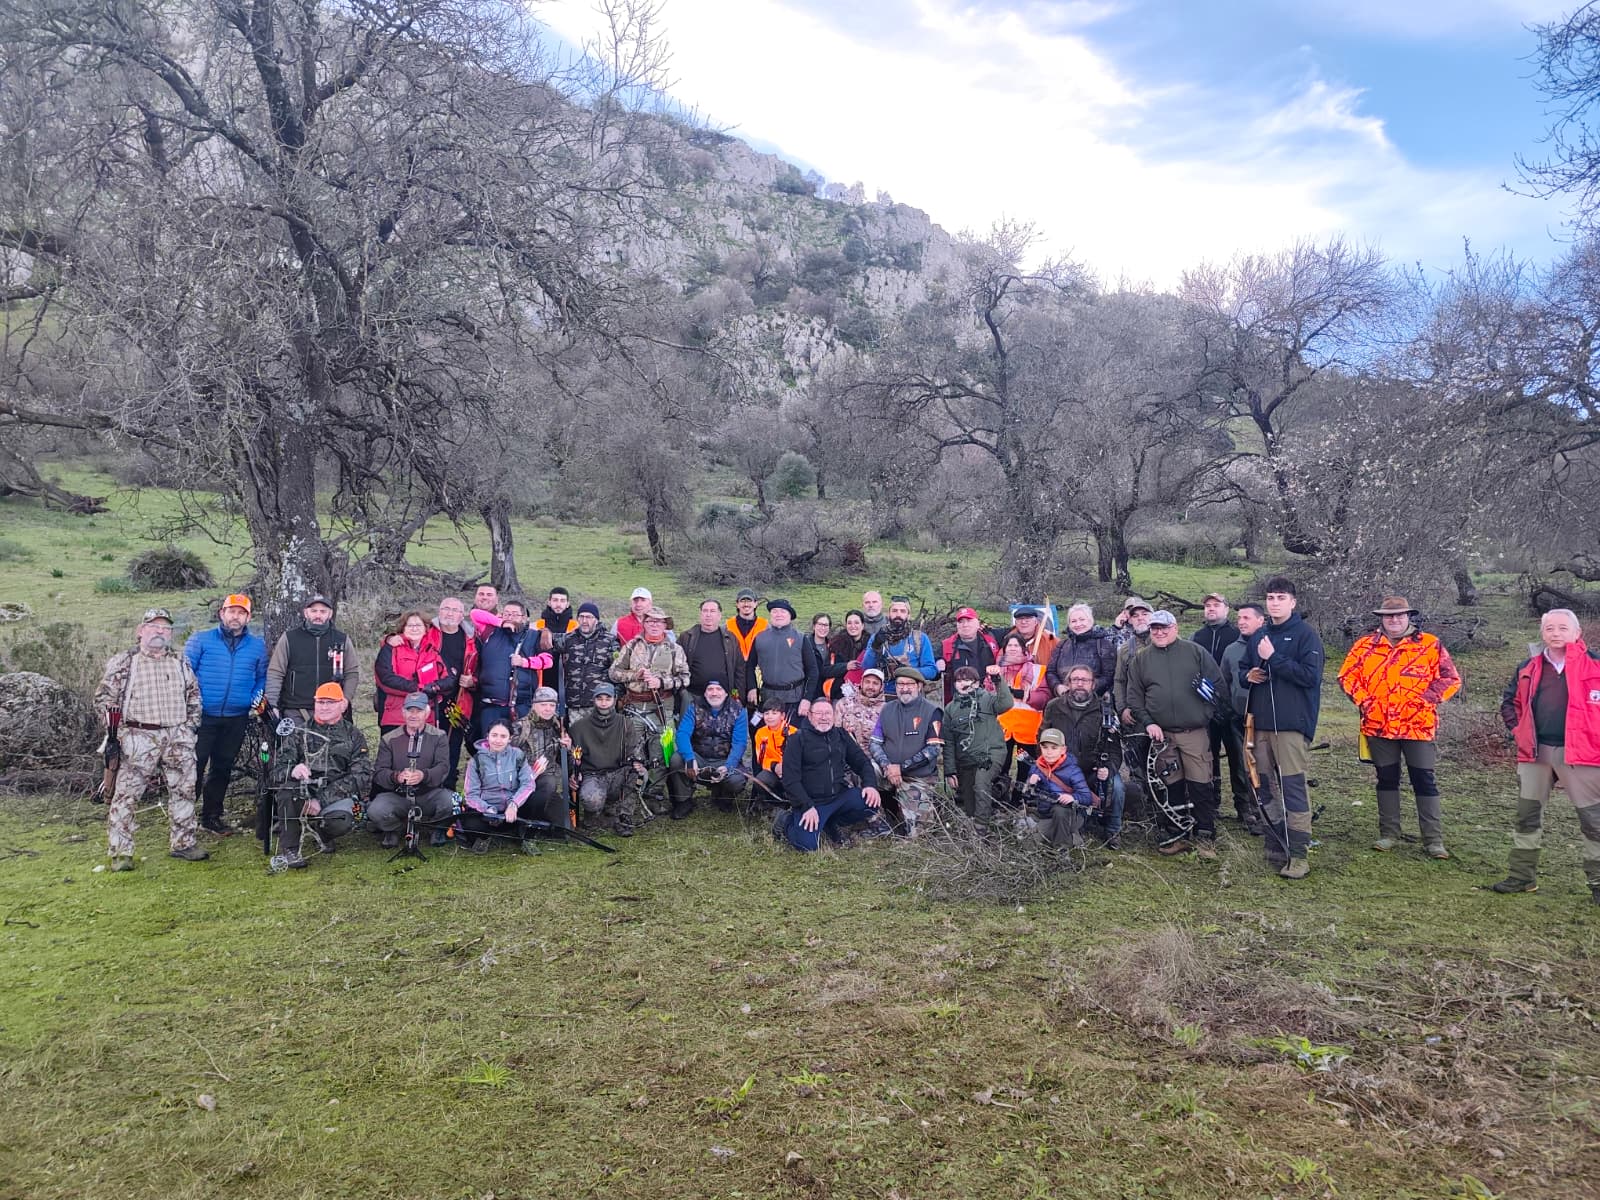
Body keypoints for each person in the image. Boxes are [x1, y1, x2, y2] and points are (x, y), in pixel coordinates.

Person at [1338, 595, 1462, 859]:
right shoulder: (1364, 646)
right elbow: (1346, 676)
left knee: (1424, 780)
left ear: (1409, 617)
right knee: (1386, 779)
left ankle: (1433, 840)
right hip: (1378, 726)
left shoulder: (1429, 645)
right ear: (1381, 618)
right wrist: (1366, 702)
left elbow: (1451, 679)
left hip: (1418, 725)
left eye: (1400, 615)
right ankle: (1388, 834)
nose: (1394, 620)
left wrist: (1425, 700)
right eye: (1389, 616)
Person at [1492, 608, 1600, 903]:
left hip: (1583, 756)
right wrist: (1518, 732)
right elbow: (1509, 702)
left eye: (1563, 628)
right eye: (1550, 628)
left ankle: (1598, 884)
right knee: (1527, 816)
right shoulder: (1529, 666)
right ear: (1542, 633)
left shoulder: (1595, 666)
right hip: (1536, 753)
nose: (1556, 634)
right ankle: (1521, 877)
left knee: (1594, 821)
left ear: (1577, 633)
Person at [93, 608, 207, 870]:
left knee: (185, 791)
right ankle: (121, 852)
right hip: (138, 736)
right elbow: (104, 700)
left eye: (165, 628)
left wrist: (189, 728)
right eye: (153, 626)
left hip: (178, 735)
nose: (159, 631)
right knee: (126, 794)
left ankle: (183, 843)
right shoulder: (125, 662)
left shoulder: (180, 661)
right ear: (140, 631)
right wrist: (119, 734)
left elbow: (194, 696)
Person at [1240, 577, 1325, 880]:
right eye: (1270, 597)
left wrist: (1273, 659)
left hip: (1290, 726)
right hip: (1258, 725)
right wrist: (1248, 674)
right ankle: (1276, 843)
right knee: (1263, 786)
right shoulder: (1259, 635)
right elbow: (1244, 671)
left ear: (1292, 602)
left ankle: (1299, 855)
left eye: (1280, 597)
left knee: (1293, 788)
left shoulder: (1305, 636)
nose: (1274, 602)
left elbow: (1310, 678)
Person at [1127, 610, 1226, 857]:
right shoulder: (1141, 659)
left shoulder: (1195, 652)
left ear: (1175, 627)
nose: (1159, 632)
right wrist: (1148, 722)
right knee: (1170, 785)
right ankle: (1177, 833)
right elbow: (1134, 697)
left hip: (1194, 731)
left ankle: (1205, 836)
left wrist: (1205, 714)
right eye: (1154, 628)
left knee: (1201, 783)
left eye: (1164, 627)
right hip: (1162, 737)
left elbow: (1217, 686)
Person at [185, 593, 267, 835]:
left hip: (236, 717)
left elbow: (262, 675)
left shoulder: (257, 646)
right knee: (194, 768)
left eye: (241, 613)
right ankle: (183, 819)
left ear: (248, 617)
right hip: (202, 716)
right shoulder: (200, 640)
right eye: (231, 611)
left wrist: (256, 694)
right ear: (222, 613)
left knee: (222, 768)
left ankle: (211, 816)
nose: (236, 616)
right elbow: (184, 673)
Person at [271, 682, 371, 868]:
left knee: (343, 821)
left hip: (334, 796)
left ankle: (323, 833)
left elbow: (361, 775)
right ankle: (291, 849)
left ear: (342, 705)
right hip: (303, 793)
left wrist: (322, 800)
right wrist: (292, 770)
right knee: (286, 791)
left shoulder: (354, 735)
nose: (324, 707)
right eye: (321, 702)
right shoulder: (298, 733)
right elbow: (276, 771)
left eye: (330, 702)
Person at [775, 697, 883, 852]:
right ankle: (786, 821)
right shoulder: (797, 739)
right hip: (811, 802)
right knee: (807, 846)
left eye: (828, 713)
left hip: (839, 797)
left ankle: (829, 822)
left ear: (834, 716)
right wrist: (806, 806)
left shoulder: (841, 735)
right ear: (810, 716)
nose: (824, 717)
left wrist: (870, 785)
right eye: (819, 713)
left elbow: (862, 762)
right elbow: (790, 779)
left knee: (870, 804)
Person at [1042, 665, 1125, 848]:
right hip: (1062, 771)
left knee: (1117, 786)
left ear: (1093, 684)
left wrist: (1108, 769)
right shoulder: (1054, 707)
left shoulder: (1105, 711)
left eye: (1084, 680)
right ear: (1068, 683)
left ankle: (1113, 830)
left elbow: (1115, 750)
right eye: (1075, 680)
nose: (1080, 684)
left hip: (1092, 771)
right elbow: (1041, 738)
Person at [1188, 593, 1250, 830]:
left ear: (1227, 609)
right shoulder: (1196, 638)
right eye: (1207, 606)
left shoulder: (1238, 637)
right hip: (1205, 710)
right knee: (1208, 759)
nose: (1211, 609)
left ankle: (1244, 808)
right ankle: (1211, 805)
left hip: (1234, 710)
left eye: (1216, 605)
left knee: (1239, 759)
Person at [368, 693, 454, 850]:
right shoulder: (389, 739)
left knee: (449, 802)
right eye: (410, 710)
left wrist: (423, 775)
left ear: (427, 713)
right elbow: (379, 772)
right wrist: (397, 777)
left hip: (428, 793)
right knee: (376, 810)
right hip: (398, 795)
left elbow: (443, 768)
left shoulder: (439, 737)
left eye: (418, 711)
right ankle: (394, 829)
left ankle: (437, 829)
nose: (414, 715)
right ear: (403, 712)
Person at [871, 666, 945, 837]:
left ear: (919, 686)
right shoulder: (887, 709)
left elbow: (933, 750)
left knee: (918, 835)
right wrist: (887, 766)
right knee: (863, 772)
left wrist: (901, 767)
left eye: (909, 684)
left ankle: (921, 811)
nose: (904, 688)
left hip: (918, 776)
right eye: (900, 684)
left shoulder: (932, 711)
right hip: (888, 771)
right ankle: (878, 820)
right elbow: (875, 743)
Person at [570, 684, 647, 835]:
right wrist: (573, 773)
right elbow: (572, 757)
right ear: (594, 700)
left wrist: (639, 763)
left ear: (614, 700)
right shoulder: (579, 727)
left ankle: (624, 816)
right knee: (592, 800)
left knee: (639, 774)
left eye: (608, 698)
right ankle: (592, 816)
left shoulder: (625, 723)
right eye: (600, 698)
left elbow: (635, 750)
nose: (604, 702)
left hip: (618, 772)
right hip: (592, 775)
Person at [265, 594, 357, 720]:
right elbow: (276, 672)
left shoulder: (342, 640)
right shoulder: (289, 638)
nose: (318, 615)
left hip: (331, 709)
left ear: (330, 614)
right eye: (313, 611)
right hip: (296, 710)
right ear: (306, 613)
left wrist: (345, 699)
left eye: (323, 611)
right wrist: (272, 705)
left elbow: (351, 673)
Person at [942, 665, 1012, 828]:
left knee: (981, 782)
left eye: (967, 680)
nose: (962, 684)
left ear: (976, 683)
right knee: (969, 801)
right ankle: (998, 793)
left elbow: (1006, 703)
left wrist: (997, 680)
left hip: (990, 754)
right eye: (958, 681)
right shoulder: (950, 708)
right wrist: (950, 771)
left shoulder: (987, 699)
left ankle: (981, 830)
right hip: (965, 760)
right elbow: (949, 742)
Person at [459, 719, 543, 854]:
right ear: (487, 736)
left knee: (538, 798)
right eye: (494, 735)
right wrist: (488, 810)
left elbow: (528, 783)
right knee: (470, 822)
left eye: (503, 736)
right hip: (489, 812)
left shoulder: (518, 755)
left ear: (510, 739)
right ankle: (483, 838)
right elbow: (471, 795)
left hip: (514, 811)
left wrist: (514, 804)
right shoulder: (476, 761)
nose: (498, 740)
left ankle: (526, 838)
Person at [668, 680, 749, 817]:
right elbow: (682, 734)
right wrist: (689, 758)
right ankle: (684, 801)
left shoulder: (738, 711)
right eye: (710, 689)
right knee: (676, 760)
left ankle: (724, 797)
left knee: (737, 780)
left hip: (724, 760)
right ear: (704, 693)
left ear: (726, 693)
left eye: (719, 689)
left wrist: (729, 766)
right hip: (698, 759)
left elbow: (740, 743)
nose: (714, 693)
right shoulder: (693, 707)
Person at [1219, 603, 1265, 834]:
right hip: (1238, 717)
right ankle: (1244, 809)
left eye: (1247, 617)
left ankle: (1267, 810)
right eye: (1239, 618)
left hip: (1266, 718)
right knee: (1240, 764)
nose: (1241, 621)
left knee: (1264, 766)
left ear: (1260, 621)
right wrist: (1227, 709)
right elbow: (1224, 681)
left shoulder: (1269, 646)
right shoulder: (1231, 650)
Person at [473, 599, 550, 735]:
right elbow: (474, 614)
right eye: (507, 614)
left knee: (520, 746)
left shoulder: (534, 636)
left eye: (515, 614)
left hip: (521, 704)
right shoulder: (491, 631)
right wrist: (501, 622)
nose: (510, 617)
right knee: (490, 745)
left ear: (524, 618)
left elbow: (548, 661)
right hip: (492, 704)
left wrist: (524, 662)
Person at [374, 611, 454, 733]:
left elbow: (448, 680)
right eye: (410, 625)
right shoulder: (391, 648)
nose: (414, 629)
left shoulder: (433, 651)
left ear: (426, 628)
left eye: (418, 625)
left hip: (426, 717)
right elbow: (385, 679)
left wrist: (435, 687)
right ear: (403, 628)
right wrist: (419, 689)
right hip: (396, 716)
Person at [431, 597, 478, 788]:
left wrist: (473, 681)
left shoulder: (471, 639)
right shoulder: (428, 633)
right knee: (431, 743)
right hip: (432, 699)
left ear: (462, 615)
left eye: (454, 610)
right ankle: (428, 786)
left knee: (452, 743)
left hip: (458, 701)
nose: (449, 613)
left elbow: (481, 669)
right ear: (439, 611)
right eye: (445, 609)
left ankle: (448, 787)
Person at [1025, 727, 1096, 849]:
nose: (1049, 752)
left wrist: (1072, 797)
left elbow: (1087, 798)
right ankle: (1069, 837)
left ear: (1063, 749)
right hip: (1046, 815)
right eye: (1045, 747)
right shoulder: (1036, 767)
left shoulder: (1073, 771)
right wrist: (1030, 784)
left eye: (1054, 748)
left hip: (1071, 816)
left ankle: (1062, 850)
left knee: (1060, 810)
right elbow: (1026, 794)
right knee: (1029, 844)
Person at [745, 600, 817, 719]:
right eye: (774, 611)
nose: (778, 614)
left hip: (794, 699)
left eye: (783, 611)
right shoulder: (760, 638)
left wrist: (807, 699)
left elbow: (813, 670)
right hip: (768, 698)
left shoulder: (801, 638)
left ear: (790, 615)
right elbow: (749, 666)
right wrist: (752, 687)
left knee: (792, 735)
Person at [995, 631, 1050, 783]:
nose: (1013, 648)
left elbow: (1045, 697)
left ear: (1023, 649)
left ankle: (1019, 800)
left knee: (1025, 767)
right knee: (1001, 765)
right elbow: (988, 694)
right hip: (1003, 728)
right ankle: (1001, 794)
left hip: (1027, 729)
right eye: (1009, 645)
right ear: (1004, 649)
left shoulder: (1038, 670)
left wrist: (1025, 695)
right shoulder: (997, 670)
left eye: (1016, 645)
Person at [611, 607, 690, 711]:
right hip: (633, 706)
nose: (654, 624)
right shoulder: (631, 646)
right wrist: (635, 675)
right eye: (650, 621)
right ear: (644, 624)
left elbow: (685, 679)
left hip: (663, 707)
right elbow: (613, 673)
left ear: (665, 625)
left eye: (659, 621)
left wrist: (660, 683)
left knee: (667, 728)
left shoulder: (675, 649)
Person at [516, 686, 573, 828]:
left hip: (547, 788)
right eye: (543, 705)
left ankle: (538, 819)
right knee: (549, 782)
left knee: (566, 829)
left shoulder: (558, 728)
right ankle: (526, 821)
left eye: (552, 705)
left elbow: (567, 764)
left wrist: (568, 748)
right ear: (534, 705)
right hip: (522, 784)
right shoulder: (520, 727)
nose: (548, 709)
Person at [1047, 604, 1116, 698]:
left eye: (1082, 619)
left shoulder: (1104, 645)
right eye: (1073, 621)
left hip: (1093, 702)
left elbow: (1109, 676)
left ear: (1090, 621)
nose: (1078, 624)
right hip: (1063, 701)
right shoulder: (1061, 645)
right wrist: (1057, 687)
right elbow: (1051, 671)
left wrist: (1087, 687)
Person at [563, 602, 618, 722]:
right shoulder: (567, 639)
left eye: (589, 617)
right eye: (581, 617)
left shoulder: (610, 641)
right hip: (574, 705)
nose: (584, 621)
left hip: (600, 705)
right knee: (577, 739)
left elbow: (617, 670)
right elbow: (546, 641)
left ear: (596, 620)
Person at [680, 599, 744, 700]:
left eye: (712, 611)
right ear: (700, 614)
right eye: (705, 611)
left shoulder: (730, 639)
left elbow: (739, 671)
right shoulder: (686, 637)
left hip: (723, 697)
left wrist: (736, 696)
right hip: (693, 696)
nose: (708, 615)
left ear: (719, 615)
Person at [861, 596, 938, 681]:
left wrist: (907, 672)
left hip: (910, 691)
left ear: (908, 615)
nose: (898, 614)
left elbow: (932, 671)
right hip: (883, 691)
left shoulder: (920, 638)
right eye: (894, 611)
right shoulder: (877, 637)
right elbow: (866, 668)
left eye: (903, 611)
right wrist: (875, 646)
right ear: (888, 614)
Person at [938, 607, 1000, 703]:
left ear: (978, 624)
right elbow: (934, 668)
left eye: (969, 620)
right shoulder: (946, 645)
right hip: (959, 702)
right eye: (961, 621)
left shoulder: (992, 639)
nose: (965, 625)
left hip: (989, 700)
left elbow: (1019, 631)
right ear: (957, 626)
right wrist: (938, 662)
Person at [1112, 598, 1154, 723]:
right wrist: (1122, 708)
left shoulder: (1167, 640)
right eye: (1135, 616)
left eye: (1145, 614)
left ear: (1153, 616)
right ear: (1130, 620)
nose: (1140, 618)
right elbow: (1119, 680)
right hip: (1136, 711)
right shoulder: (1125, 649)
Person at [535, 586, 578, 702]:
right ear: (549, 602)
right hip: (541, 679)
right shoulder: (537, 625)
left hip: (569, 681)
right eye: (555, 600)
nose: (558, 604)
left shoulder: (575, 627)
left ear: (568, 604)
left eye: (562, 600)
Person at [750, 700, 793, 807]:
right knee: (761, 780)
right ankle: (776, 803)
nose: (770, 717)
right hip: (772, 770)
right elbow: (761, 759)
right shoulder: (760, 733)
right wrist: (775, 766)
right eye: (766, 713)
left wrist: (786, 767)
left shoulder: (794, 732)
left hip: (793, 771)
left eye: (774, 713)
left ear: (782, 715)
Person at [837, 667, 888, 755]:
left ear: (881, 687)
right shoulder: (844, 703)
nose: (870, 686)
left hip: (875, 760)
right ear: (861, 683)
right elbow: (835, 732)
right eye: (867, 682)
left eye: (875, 683)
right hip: (847, 758)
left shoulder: (887, 709)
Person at [725, 588, 767, 678]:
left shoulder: (766, 627)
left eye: (749, 601)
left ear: (756, 604)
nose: (746, 604)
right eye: (742, 601)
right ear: (737, 604)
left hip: (758, 675)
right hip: (734, 674)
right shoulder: (726, 627)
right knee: (734, 692)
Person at [828, 609, 870, 697]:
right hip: (840, 693)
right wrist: (846, 666)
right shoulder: (836, 644)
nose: (853, 626)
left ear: (862, 625)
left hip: (865, 693)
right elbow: (826, 670)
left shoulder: (871, 644)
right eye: (849, 623)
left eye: (856, 623)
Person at [1003, 606, 1058, 672]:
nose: (1023, 622)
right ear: (1015, 623)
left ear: (1035, 622)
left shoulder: (1050, 640)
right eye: (1020, 619)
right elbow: (1001, 662)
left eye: (1028, 619)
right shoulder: (1008, 638)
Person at [807, 613, 844, 701]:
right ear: (814, 626)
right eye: (820, 624)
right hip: (810, 693)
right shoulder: (806, 645)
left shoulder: (834, 646)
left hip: (829, 693)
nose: (823, 628)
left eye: (826, 625)